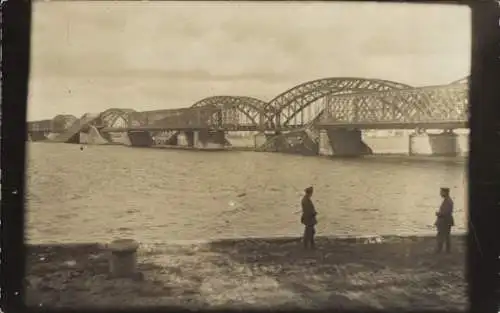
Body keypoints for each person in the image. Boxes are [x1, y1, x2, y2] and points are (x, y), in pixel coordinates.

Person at [434, 187, 455, 253]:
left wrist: (438, 214)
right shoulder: (447, 200)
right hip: (446, 220)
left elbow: (446, 212)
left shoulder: (448, 201)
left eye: (441, 192)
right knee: (445, 235)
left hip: (445, 221)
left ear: (445, 192)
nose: (440, 193)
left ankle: (440, 250)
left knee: (442, 235)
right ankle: (445, 250)